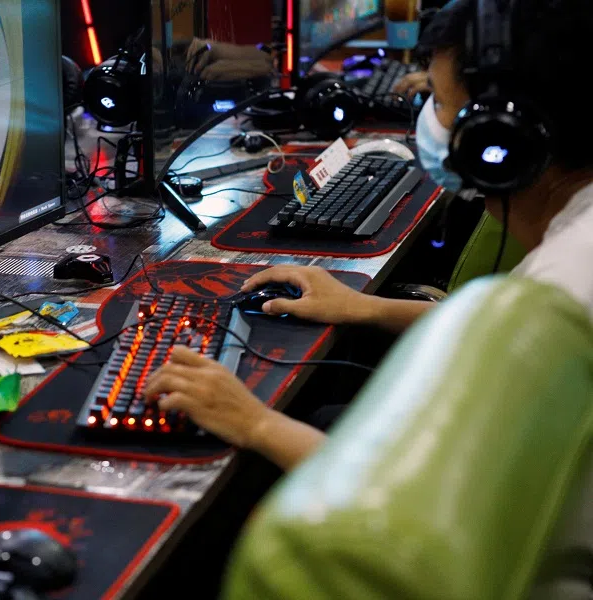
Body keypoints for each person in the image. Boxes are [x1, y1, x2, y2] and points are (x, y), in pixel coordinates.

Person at [144, 0, 593, 471]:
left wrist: (256, 424)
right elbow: (502, 333)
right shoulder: (572, 245)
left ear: (498, 137)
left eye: (440, 103)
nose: (429, 120)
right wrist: (368, 307)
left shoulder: (560, 297)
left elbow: (424, 500)